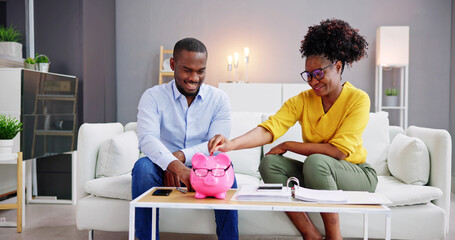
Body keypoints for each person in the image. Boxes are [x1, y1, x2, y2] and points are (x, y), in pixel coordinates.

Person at [208, 19, 377, 240]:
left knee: (316, 161)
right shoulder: (303, 100)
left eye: (318, 73)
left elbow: (338, 152)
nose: (312, 82)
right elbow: (270, 128)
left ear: (337, 66)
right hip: (319, 172)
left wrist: (288, 145)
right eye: (308, 75)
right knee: (270, 163)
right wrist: (231, 144)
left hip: (356, 174)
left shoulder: (358, 99)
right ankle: (310, 234)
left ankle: (335, 236)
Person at [132, 37, 238, 240]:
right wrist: (175, 167)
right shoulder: (152, 96)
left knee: (227, 169)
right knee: (142, 168)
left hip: (205, 166)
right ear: (173, 65)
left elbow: (217, 146)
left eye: (200, 71)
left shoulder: (219, 99)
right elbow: (147, 139)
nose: (194, 78)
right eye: (187, 70)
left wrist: (179, 157)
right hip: (161, 165)